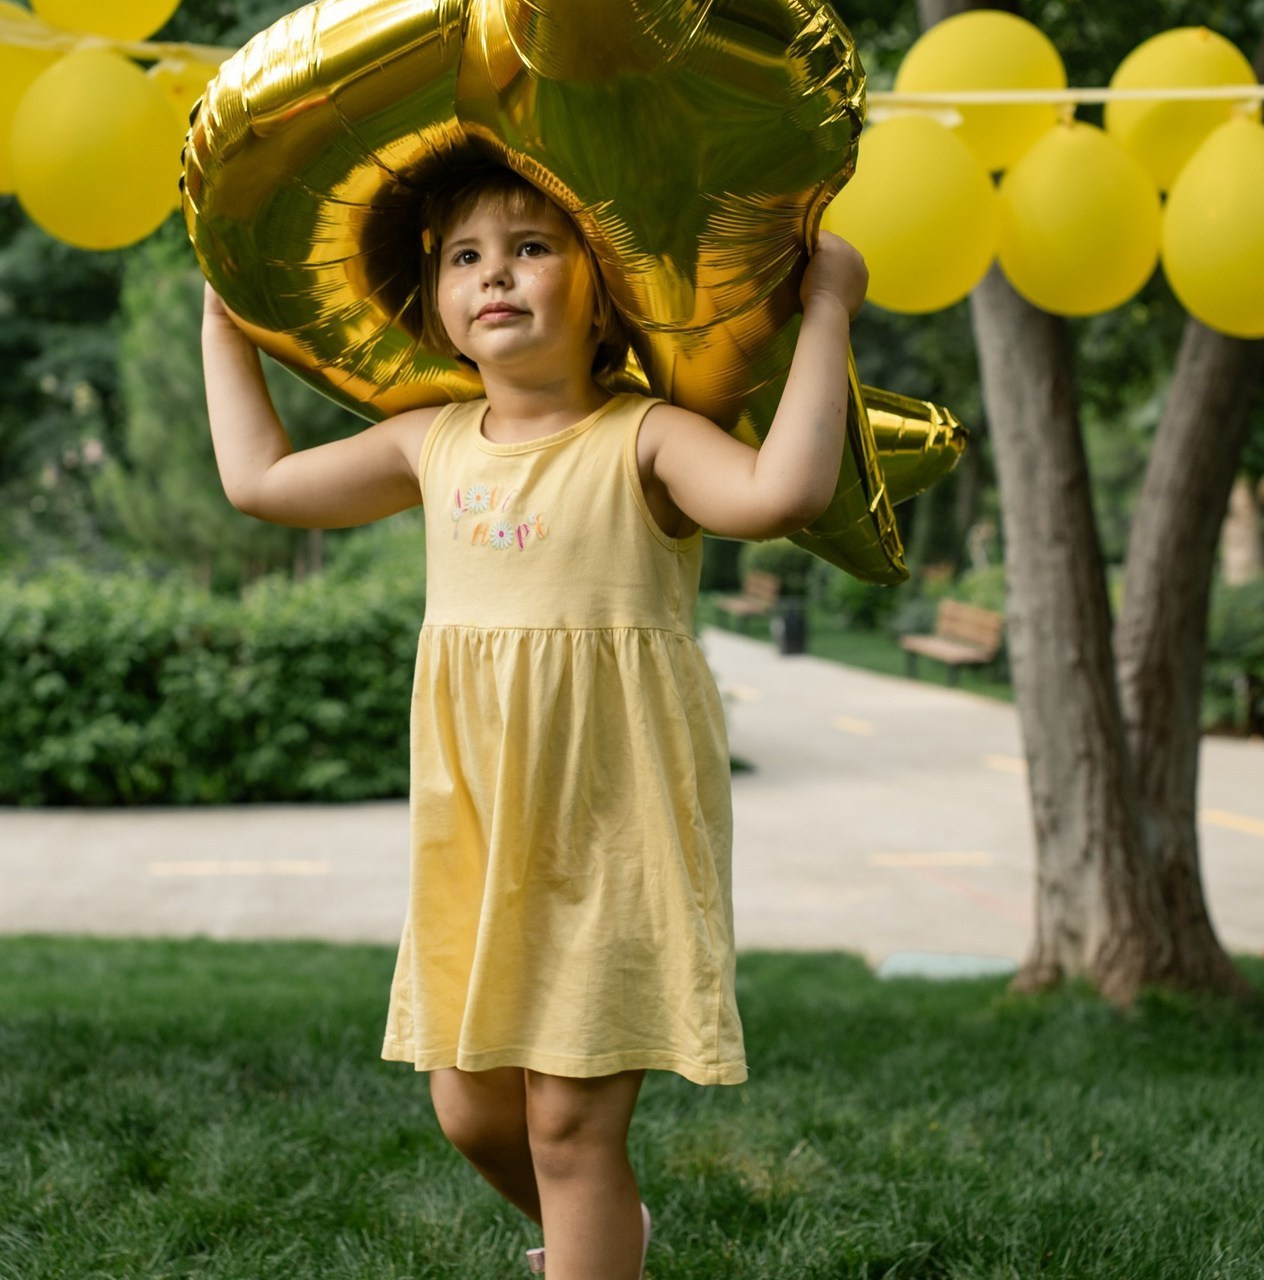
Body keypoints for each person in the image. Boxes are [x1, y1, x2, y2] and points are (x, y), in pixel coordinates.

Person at [201, 165, 868, 1280]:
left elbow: (779, 496)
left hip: (612, 829)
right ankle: (604, 1234)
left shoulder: (644, 439)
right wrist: (224, 328)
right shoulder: (431, 442)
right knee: (468, 1107)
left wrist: (830, 308)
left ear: (600, 292)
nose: (493, 272)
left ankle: (590, 1228)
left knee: (567, 1124)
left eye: (528, 247)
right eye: (463, 257)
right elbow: (259, 479)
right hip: (478, 839)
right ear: (439, 306)